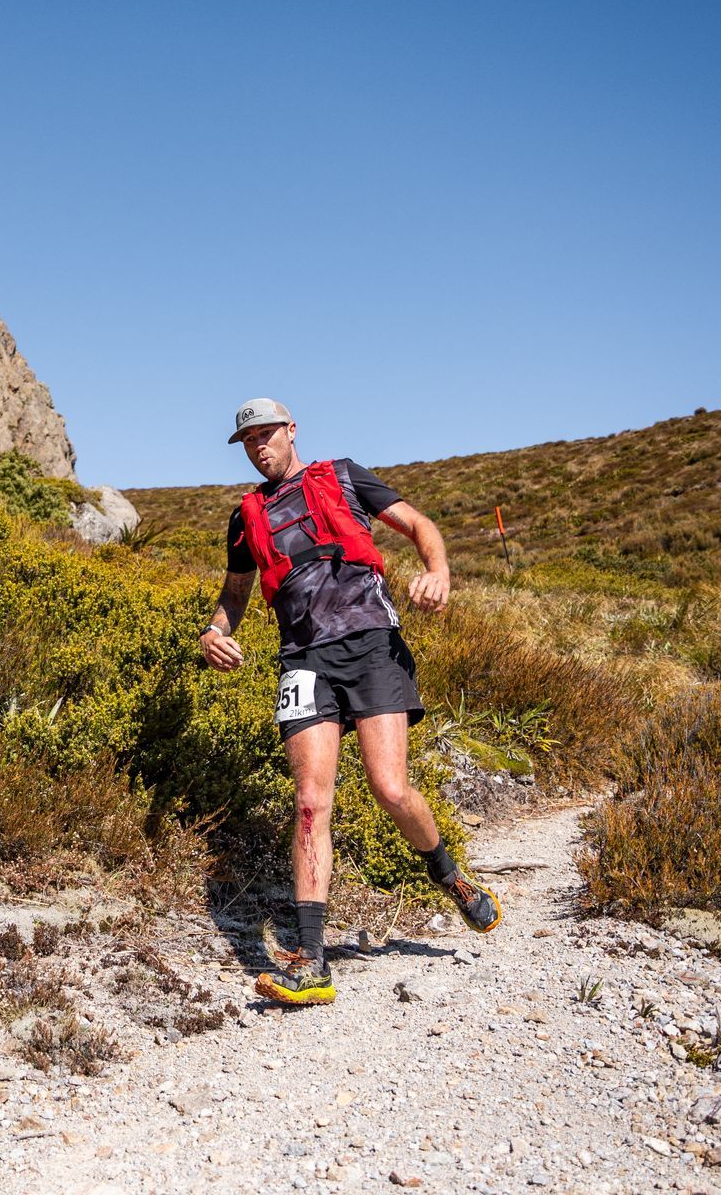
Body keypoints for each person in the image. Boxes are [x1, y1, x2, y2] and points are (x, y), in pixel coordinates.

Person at [201, 398, 501, 1006]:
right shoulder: (245, 517)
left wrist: (436, 571)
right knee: (311, 800)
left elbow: (420, 526)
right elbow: (233, 596)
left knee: (390, 788)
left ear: (291, 431)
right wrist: (215, 632)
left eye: (267, 435)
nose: (260, 448)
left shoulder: (343, 475)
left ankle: (448, 875)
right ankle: (311, 961)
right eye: (248, 441)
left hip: (371, 646)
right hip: (302, 658)